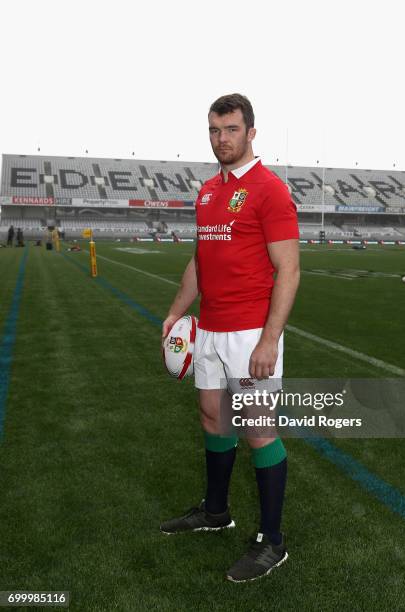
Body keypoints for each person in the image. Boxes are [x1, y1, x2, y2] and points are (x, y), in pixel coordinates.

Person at [160, 93, 300, 582]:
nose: (222, 139)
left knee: (258, 428)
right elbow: (200, 264)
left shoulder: (269, 190)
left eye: (232, 130)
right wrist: (176, 313)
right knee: (213, 419)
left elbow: (289, 270)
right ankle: (216, 511)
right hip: (210, 330)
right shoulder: (206, 193)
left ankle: (272, 542)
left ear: (251, 132)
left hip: (249, 333)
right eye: (215, 130)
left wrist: (269, 341)